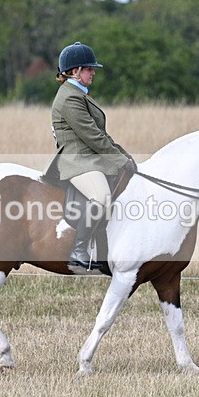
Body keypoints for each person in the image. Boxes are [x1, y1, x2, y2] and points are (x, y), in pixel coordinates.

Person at [43, 42, 136, 271]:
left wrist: (124, 156)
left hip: (89, 158)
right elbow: (93, 137)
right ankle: (78, 249)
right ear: (75, 71)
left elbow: (102, 135)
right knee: (101, 196)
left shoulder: (78, 94)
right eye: (89, 69)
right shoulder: (69, 98)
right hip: (76, 160)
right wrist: (120, 160)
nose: (93, 72)